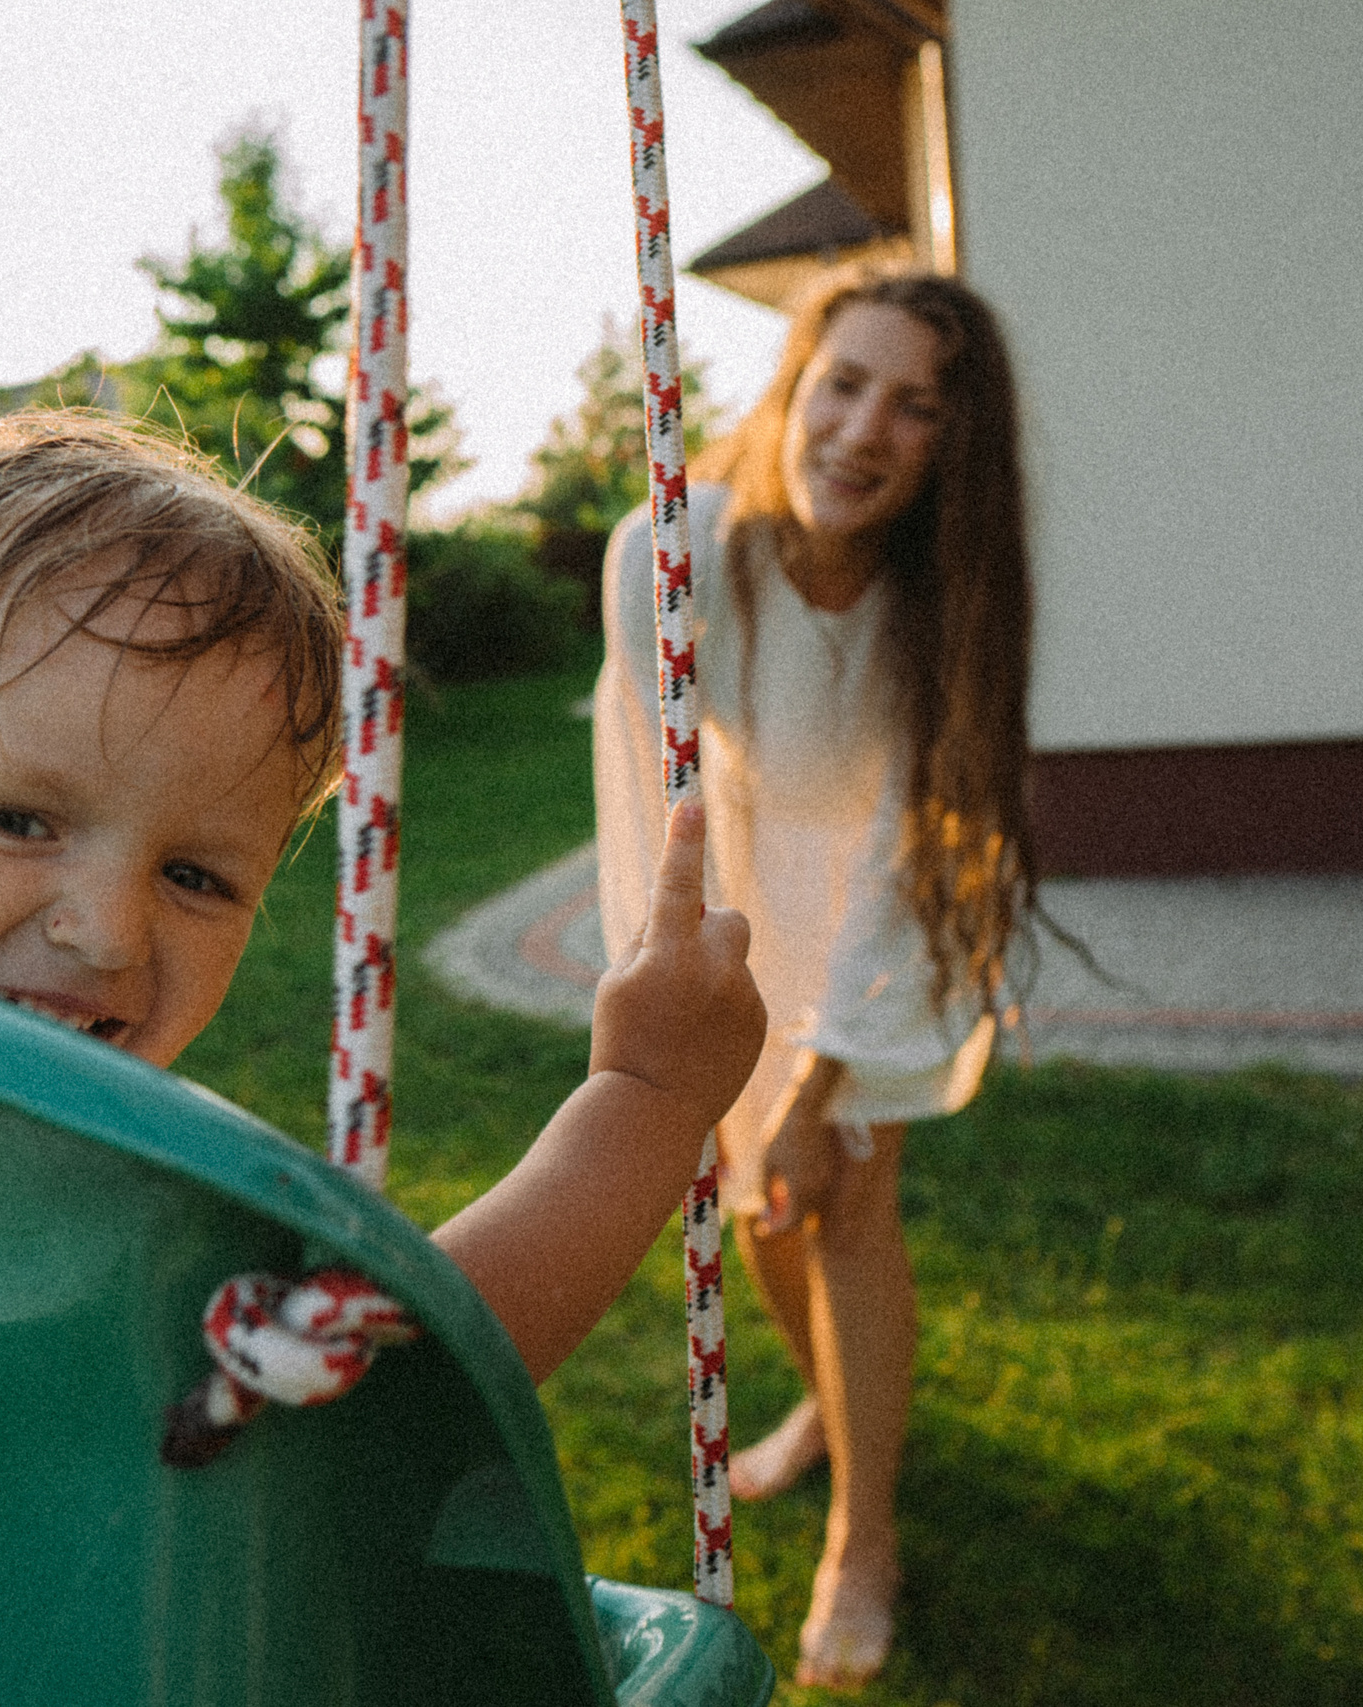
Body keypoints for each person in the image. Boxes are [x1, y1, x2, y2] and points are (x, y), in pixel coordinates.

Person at [0, 409, 766, 1382]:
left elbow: (383, 1395)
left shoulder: (154, 1220)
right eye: (15, 821)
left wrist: (645, 1102)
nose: (108, 933)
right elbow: (391, 1414)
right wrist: (645, 1108)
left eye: (194, 876)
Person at [594, 269, 1042, 1688]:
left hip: (872, 913)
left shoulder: (943, 603)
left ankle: (865, 1529)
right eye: (844, 382)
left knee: (841, 1187)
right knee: (757, 1203)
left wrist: (819, 1065)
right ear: (793, 382)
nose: (863, 430)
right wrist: (698, 1010)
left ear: (950, 450)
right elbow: (662, 794)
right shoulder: (670, 551)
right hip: (731, 893)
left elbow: (916, 838)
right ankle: (834, 1409)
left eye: (915, 407)